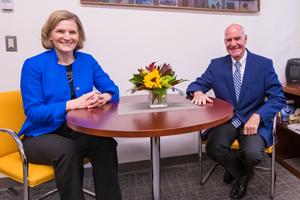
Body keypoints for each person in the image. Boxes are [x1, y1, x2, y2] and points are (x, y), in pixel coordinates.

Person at [19, 10, 122, 200]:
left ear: (79, 36)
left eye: (73, 32)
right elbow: (34, 112)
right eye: (60, 31)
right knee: (68, 150)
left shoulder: (87, 61)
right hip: (40, 135)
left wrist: (104, 97)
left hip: (76, 130)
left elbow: (112, 89)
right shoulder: (33, 65)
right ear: (50, 34)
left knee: (105, 143)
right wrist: (74, 104)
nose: (67, 37)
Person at [186, 24, 285, 199]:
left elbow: (278, 97)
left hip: (253, 120)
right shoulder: (216, 65)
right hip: (228, 120)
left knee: (253, 154)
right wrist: (198, 92)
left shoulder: (263, 64)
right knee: (213, 147)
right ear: (225, 42)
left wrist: (259, 115)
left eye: (237, 38)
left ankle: (237, 170)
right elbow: (195, 85)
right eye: (229, 40)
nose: (233, 43)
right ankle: (244, 174)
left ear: (245, 39)